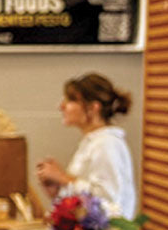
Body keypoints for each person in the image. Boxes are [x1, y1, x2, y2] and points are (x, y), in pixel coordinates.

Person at [34, 72, 137, 218]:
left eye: (70, 101)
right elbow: (84, 197)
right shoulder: (92, 142)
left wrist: (63, 178)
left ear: (93, 107)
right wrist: (57, 191)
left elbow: (107, 199)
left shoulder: (106, 144)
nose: (61, 106)